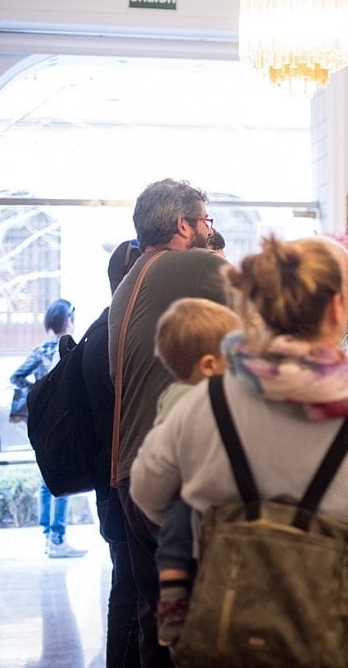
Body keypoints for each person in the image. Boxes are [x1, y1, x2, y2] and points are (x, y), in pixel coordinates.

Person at [130, 236, 348, 668]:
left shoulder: (203, 404)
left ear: (257, 310)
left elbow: (148, 492)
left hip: (229, 628)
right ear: (339, 310)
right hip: (345, 635)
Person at [108, 178, 228, 668]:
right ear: (183, 225)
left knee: (159, 625)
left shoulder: (132, 277)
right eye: (206, 222)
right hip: (175, 479)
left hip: (131, 476)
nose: (209, 231)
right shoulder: (190, 265)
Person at [148, 297, 242, 648]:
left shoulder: (176, 393)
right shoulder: (198, 399)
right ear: (207, 365)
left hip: (190, 489)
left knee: (176, 538)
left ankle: (174, 603)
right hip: (196, 491)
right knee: (178, 529)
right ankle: (172, 604)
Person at [76, 239, 145, 667]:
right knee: (129, 591)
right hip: (121, 479)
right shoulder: (118, 337)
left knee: (128, 586)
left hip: (112, 477)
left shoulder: (102, 329)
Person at [10, 298, 88, 558]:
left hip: (43, 421)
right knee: (66, 472)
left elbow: (16, 377)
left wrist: (36, 394)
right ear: (68, 320)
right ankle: (57, 537)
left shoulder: (42, 349)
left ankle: (49, 536)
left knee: (47, 475)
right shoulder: (73, 349)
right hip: (66, 420)